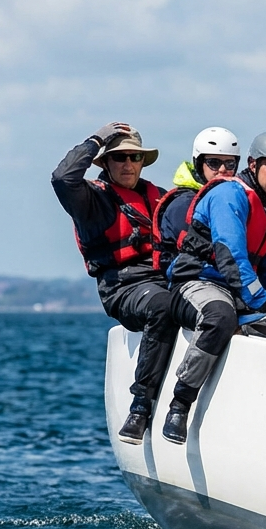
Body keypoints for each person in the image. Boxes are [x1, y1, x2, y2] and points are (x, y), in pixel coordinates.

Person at [161, 131, 266, 444]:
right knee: (219, 317)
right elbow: (230, 256)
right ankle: (180, 402)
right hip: (197, 281)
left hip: (238, 290)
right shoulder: (229, 195)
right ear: (253, 164)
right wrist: (264, 305)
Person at [51, 121, 175, 444]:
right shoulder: (93, 201)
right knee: (162, 305)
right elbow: (62, 179)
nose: (128, 165)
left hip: (164, 282)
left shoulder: (158, 198)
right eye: (119, 158)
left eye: (135, 158)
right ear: (106, 162)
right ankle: (141, 407)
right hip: (122, 288)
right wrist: (97, 139)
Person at [151, 127, 242, 275]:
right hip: (187, 281)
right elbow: (193, 252)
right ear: (199, 164)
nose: (223, 169)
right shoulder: (183, 203)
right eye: (214, 163)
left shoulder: (231, 201)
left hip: (222, 277)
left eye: (230, 163)